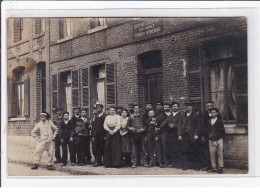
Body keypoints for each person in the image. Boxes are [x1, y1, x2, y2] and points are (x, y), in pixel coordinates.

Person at [160, 102, 182, 168]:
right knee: (171, 148)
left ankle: (178, 163)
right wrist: (159, 126)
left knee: (177, 149)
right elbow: (165, 122)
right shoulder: (171, 115)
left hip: (177, 133)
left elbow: (181, 124)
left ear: (178, 107)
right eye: (174, 106)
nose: (175, 107)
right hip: (170, 134)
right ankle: (172, 162)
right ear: (172, 107)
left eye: (176, 106)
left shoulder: (181, 114)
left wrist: (174, 125)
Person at [179, 102, 200, 170]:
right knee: (185, 150)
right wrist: (179, 134)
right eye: (186, 106)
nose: (187, 108)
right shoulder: (182, 115)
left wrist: (196, 134)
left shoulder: (195, 115)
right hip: (185, 135)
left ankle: (196, 165)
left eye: (189, 106)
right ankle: (186, 165)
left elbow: (198, 125)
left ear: (191, 108)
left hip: (192, 135)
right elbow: (179, 125)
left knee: (194, 150)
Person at [206, 107, 225, 174]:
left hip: (219, 139)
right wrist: (209, 134)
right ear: (210, 113)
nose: (213, 114)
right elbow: (207, 130)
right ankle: (214, 167)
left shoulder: (220, 121)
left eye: (214, 112)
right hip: (211, 140)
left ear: (217, 113)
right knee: (212, 154)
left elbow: (222, 131)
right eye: (212, 112)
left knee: (220, 153)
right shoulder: (209, 121)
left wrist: (216, 135)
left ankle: (220, 167)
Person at [200, 101, 215, 171]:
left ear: (213, 106)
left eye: (211, 106)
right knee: (206, 151)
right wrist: (203, 135)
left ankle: (215, 166)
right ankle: (207, 165)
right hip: (206, 135)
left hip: (215, 135)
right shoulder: (205, 114)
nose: (209, 108)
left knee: (215, 150)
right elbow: (202, 125)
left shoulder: (216, 114)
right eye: (208, 106)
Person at [156, 103, 172, 168]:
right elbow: (157, 125)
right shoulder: (160, 116)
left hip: (171, 133)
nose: (166, 108)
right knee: (163, 147)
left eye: (167, 107)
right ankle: (162, 162)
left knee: (170, 148)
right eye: (165, 107)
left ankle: (169, 161)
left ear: (169, 107)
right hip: (163, 133)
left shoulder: (172, 115)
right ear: (163, 107)